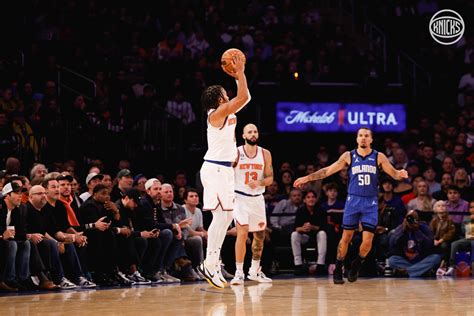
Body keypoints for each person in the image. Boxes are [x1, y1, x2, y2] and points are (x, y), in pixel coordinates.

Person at [294, 127, 408, 284]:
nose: (363, 138)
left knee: (367, 241)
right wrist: (307, 178)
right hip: (353, 200)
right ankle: (339, 267)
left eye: (366, 136)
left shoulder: (378, 156)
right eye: (360, 135)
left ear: (371, 139)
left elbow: (394, 173)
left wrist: (400, 174)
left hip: (370, 202)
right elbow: (327, 171)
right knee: (346, 237)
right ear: (356, 139)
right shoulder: (349, 156)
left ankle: (356, 265)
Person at [197, 52, 251, 289]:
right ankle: (210, 263)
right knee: (222, 217)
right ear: (219, 100)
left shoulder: (226, 111)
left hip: (224, 170)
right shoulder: (216, 114)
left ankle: (211, 263)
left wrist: (241, 76)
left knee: (226, 217)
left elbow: (245, 97)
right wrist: (238, 72)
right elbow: (240, 99)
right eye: (225, 95)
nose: (228, 96)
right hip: (215, 170)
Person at [230, 123, 273, 285]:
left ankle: (254, 270)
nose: (253, 134)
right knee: (242, 232)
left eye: (255, 131)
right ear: (243, 136)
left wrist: (260, 182)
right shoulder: (236, 153)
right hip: (240, 197)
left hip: (257, 198)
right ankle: (238, 272)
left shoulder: (265, 153)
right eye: (250, 132)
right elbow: (227, 172)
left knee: (260, 235)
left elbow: (270, 178)